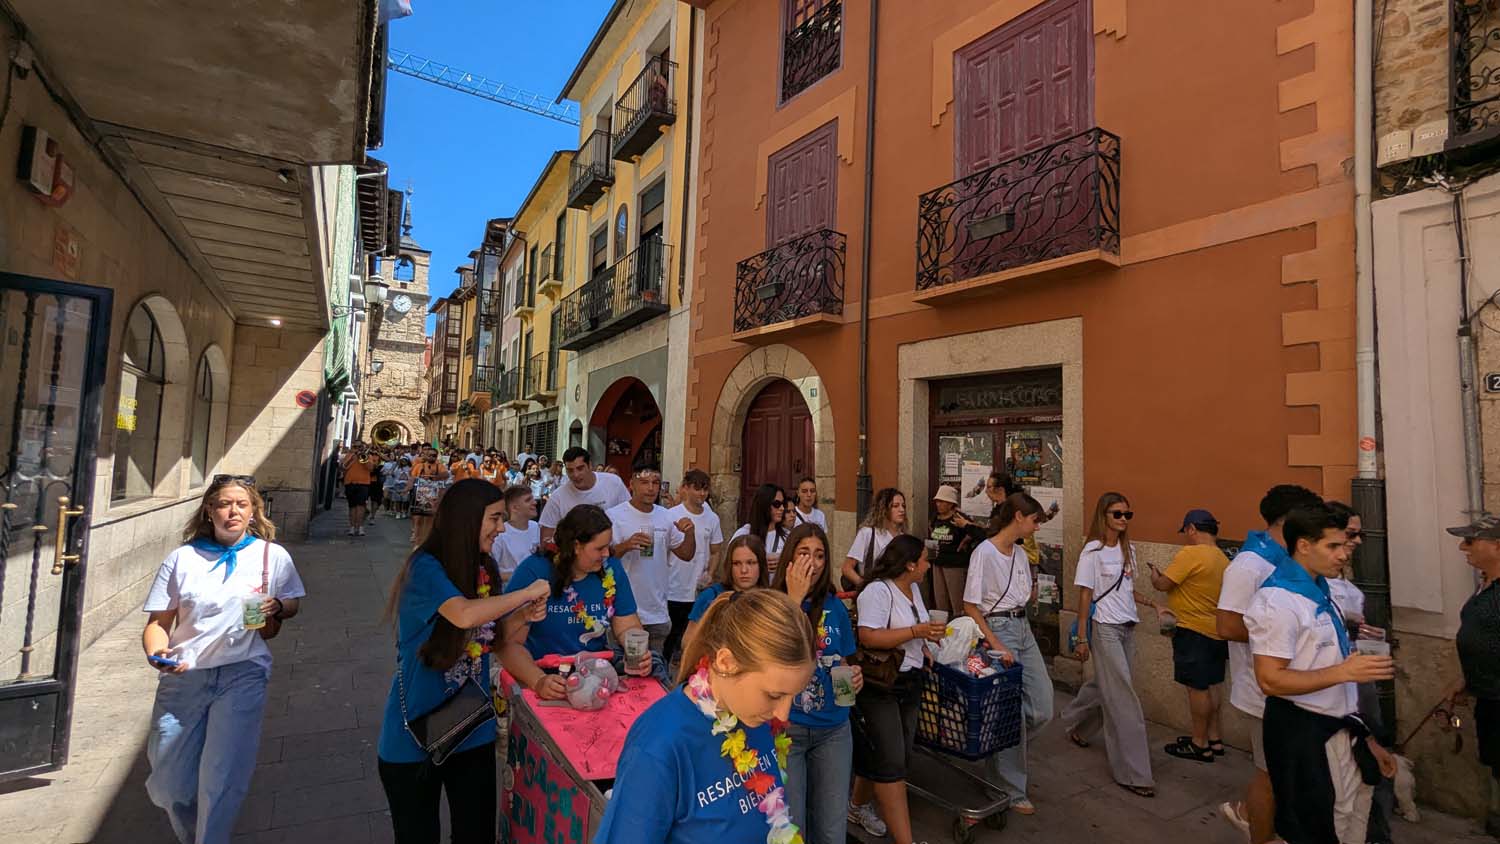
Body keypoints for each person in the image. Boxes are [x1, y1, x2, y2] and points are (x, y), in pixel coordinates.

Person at [377, 479, 550, 844]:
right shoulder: (424, 567)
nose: (501, 529)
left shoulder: (483, 570)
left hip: (471, 727)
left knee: (476, 833)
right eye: (494, 519)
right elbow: (464, 615)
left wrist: (524, 617)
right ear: (467, 519)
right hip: (414, 736)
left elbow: (494, 639)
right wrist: (526, 592)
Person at [143, 477, 305, 843]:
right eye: (224, 504)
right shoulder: (183, 558)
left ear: (253, 512)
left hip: (243, 673)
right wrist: (157, 653)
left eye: (242, 505)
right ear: (209, 510)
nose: (233, 511)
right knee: (169, 782)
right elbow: (158, 623)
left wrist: (277, 606)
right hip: (185, 676)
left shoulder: (271, 556)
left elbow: (291, 601)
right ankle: (190, 834)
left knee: (223, 774)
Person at [594, 589, 815, 843]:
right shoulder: (659, 746)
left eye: (793, 696)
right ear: (725, 662)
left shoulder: (757, 717)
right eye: (774, 695)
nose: (783, 713)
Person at [1247, 503, 1397, 844]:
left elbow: (1327, 670)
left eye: (1344, 545)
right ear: (1303, 545)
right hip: (1303, 733)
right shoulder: (1278, 601)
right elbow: (1270, 680)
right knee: (1318, 826)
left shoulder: (1321, 590)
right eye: (1333, 546)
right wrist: (1344, 670)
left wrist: (1368, 739)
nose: (1344, 555)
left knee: (1350, 816)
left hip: (1338, 728)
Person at [1216, 483, 1323, 842]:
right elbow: (1227, 625)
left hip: (1293, 689)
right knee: (1270, 776)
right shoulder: (1249, 565)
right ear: (1289, 520)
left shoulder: (1289, 561)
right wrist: (1289, 633)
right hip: (1263, 691)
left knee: (1286, 776)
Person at [499, 504, 658, 697]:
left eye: (608, 546)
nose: (607, 554)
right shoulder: (535, 571)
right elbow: (508, 644)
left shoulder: (611, 569)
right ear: (576, 546)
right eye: (599, 548)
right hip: (542, 676)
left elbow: (626, 626)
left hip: (594, 677)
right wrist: (538, 680)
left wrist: (638, 654)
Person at [847, 535, 946, 844]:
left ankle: (857, 805)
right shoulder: (878, 591)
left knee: (892, 754)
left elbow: (914, 625)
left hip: (910, 681)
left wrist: (925, 645)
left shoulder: (914, 589)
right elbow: (869, 637)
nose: (929, 566)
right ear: (910, 565)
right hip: (881, 686)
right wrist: (916, 631)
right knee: (892, 763)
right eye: (925, 560)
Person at [1060, 492, 1155, 797]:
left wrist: (1155, 605)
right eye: (1117, 514)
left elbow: (1127, 590)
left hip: (1128, 626)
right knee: (1123, 697)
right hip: (1104, 629)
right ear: (1104, 516)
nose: (1123, 520)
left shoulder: (1130, 550)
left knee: (1108, 685)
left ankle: (1076, 723)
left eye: (1128, 514)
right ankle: (1135, 773)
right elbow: (1086, 595)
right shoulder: (1093, 551)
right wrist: (1083, 637)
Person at [771, 523, 861, 844]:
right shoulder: (772, 603)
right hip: (787, 731)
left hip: (834, 730)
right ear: (790, 559)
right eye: (805, 552)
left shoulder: (834, 606)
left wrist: (853, 678)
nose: (813, 561)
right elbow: (772, 655)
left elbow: (843, 660)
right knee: (792, 830)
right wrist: (794, 600)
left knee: (831, 830)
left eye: (820, 554)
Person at [962, 491, 1048, 814]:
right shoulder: (984, 553)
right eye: (1035, 521)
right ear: (1018, 517)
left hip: (1023, 627)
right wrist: (995, 643)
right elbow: (970, 604)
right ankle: (1010, 787)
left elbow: (1021, 595)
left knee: (1042, 706)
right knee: (1012, 709)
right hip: (1000, 629)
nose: (1037, 527)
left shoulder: (1022, 555)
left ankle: (997, 748)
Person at [1149, 508, 1231, 762]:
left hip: (1192, 630)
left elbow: (1165, 584)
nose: (1186, 536)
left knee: (1197, 689)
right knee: (1213, 685)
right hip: (1216, 631)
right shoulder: (1222, 558)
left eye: (1186, 531)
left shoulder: (1190, 554)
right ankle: (1214, 739)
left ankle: (1199, 743)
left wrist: (1155, 575)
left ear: (1192, 528)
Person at [1444, 513, 1500, 840]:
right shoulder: (1485, 584)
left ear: (1496, 546)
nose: (1462, 546)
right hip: (1489, 695)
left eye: (1470, 540)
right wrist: (1467, 679)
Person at [608, 468, 697, 655]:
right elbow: (601, 558)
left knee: (655, 672)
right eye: (644, 482)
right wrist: (626, 545)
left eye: (655, 483)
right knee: (624, 674)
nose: (650, 488)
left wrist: (690, 532)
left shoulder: (666, 516)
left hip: (657, 613)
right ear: (631, 484)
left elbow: (686, 554)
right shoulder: (614, 516)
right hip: (623, 613)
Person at [664, 469, 724, 667]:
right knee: (670, 636)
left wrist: (711, 573)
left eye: (705, 489)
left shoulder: (712, 518)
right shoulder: (671, 516)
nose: (702, 494)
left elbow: (716, 550)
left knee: (695, 638)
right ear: (686, 488)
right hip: (673, 586)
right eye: (697, 489)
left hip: (699, 589)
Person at [682, 535, 770, 647]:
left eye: (750, 563)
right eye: (737, 563)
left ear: (761, 565)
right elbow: (688, 643)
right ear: (729, 566)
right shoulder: (710, 596)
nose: (744, 570)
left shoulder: (770, 599)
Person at [539, 446, 630, 544]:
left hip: (613, 551)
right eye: (570, 470)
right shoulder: (558, 497)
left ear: (590, 465)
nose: (576, 475)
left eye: (580, 468)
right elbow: (546, 537)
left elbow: (628, 514)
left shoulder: (613, 482)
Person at [928, 484, 984, 613]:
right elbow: (931, 533)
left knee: (957, 602)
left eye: (942, 501)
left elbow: (975, 531)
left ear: (950, 503)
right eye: (937, 501)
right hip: (937, 563)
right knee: (940, 600)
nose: (938, 504)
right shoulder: (935, 517)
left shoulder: (959, 518)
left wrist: (967, 538)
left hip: (955, 565)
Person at [841, 487, 908, 589]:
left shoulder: (903, 538)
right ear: (884, 509)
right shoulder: (868, 533)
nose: (902, 510)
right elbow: (847, 568)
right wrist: (864, 586)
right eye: (895, 506)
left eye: (903, 506)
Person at [733, 483, 790, 571]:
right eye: (777, 504)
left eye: (783, 504)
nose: (782, 508)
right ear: (764, 505)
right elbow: (731, 564)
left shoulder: (787, 536)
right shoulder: (743, 534)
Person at [491, 484, 541, 584]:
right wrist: (521, 576)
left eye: (533, 499)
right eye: (528, 500)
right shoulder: (500, 534)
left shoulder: (536, 527)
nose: (534, 503)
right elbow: (490, 572)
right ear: (514, 508)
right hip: (510, 592)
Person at [341, 442, 376, 537]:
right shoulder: (349, 455)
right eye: (355, 447)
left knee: (361, 506)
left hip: (363, 484)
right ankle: (352, 527)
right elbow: (343, 467)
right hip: (350, 483)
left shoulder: (367, 456)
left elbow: (370, 468)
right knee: (352, 506)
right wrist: (352, 458)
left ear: (363, 447)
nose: (357, 448)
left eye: (359, 447)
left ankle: (360, 527)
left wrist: (362, 458)